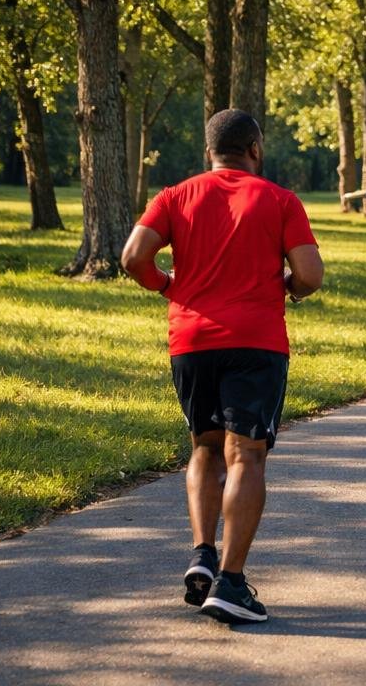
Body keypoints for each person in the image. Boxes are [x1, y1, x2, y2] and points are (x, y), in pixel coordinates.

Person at [121, 109, 324, 625]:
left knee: (206, 447)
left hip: (191, 341)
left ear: (208, 150)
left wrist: (168, 286)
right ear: (254, 148)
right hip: (255, 342)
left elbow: (132, 258)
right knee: (247, 456)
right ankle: (232, 584)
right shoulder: (279, 200)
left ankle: (202, 555)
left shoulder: (174, 196)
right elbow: (310, 274)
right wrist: (290, 289)